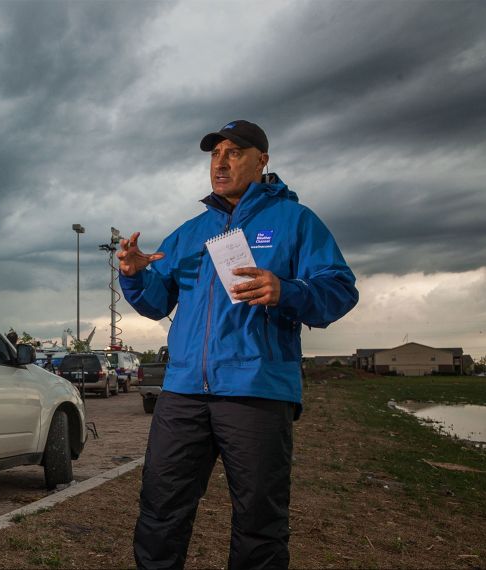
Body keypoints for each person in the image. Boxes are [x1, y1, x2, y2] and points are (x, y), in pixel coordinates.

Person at [118, 120, 358, 570]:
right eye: (215, 154)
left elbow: (341, 290)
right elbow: (156, 302)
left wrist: (287, 290)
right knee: (159, 512)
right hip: (184, 391)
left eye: (234, 152)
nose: (221, 162)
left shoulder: (295, 221)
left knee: (258, 524)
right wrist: (133, 275)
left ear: (262, 160)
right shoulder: (191, 232)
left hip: (257, 389)